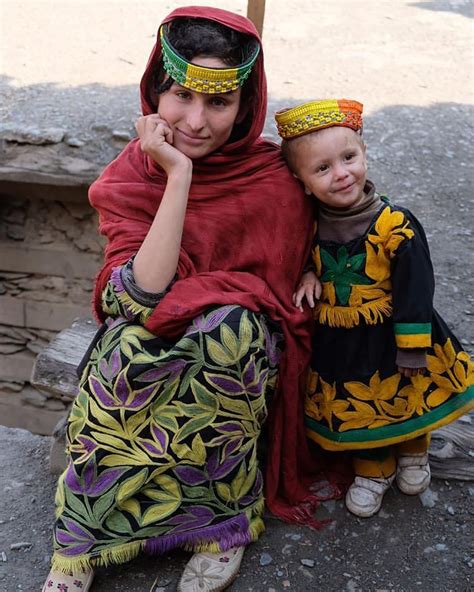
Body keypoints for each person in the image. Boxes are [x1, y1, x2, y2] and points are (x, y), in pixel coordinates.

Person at [42, 8, 331, 592]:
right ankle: (84, 539)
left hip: (239, 342)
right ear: (156, 90)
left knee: (227, 337)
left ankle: (220, 526)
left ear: (244, 107)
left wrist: (312, 271)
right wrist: (176, 178)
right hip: (151, 320)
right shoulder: (133, 175)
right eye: (181, 96)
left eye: (218, 103)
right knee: (125, 352)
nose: (196, 121)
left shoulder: (273, 177)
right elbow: (137, 294)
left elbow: (347, 218)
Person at [275, 99, 474, 518]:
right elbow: (295, 257)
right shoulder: (306, 224)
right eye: (322, 168)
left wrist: (413, 345)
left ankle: (414, 451)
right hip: (340, 343)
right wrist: (307, 276)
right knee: (356, 403)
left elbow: (417, 286)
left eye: (348, 158)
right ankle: (372, 469)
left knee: (406, 393)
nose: (341, 174)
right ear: (302, 181)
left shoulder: (394, 224)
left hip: (393, 335)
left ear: (364, 153)